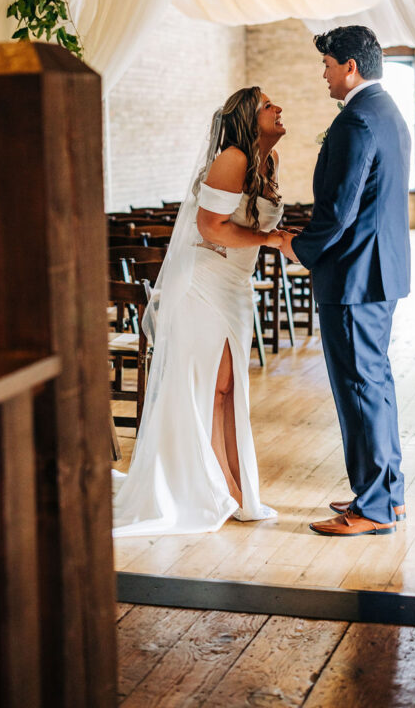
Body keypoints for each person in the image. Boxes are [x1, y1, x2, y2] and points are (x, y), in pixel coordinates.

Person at [112, 86, 287, 535]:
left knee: (228, 387)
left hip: (235, 284)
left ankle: (233, 485)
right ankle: (219, 486)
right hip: (205, 282)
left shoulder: (267, 162)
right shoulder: (233, 158)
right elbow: (210, 227)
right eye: (268, 105)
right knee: (213, 386)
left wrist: (279, 240)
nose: (278, 108)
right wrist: (270, 240)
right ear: (248, 118)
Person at [280, 25, 411, 537]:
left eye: (328, 66)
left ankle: (373, 508)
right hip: (379, 270)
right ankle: (387, 495)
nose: (325, 75)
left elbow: (339, 210)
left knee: (359, 388)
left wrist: (299, 247)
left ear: (350, 67)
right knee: (375, 385)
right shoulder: (387, 111)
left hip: (355, 276)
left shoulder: (356, 120)